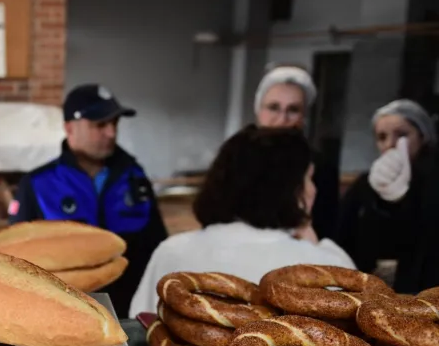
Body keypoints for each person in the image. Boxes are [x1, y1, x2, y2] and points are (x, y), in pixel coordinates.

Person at [130, 126, 354, 315]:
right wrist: (315, 245)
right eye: (308, 179)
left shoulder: (171, 252)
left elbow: (139, 328)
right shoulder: (329, 267)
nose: (313, 189)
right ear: (294, 192)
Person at [7, 84, 168, 319]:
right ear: (69, 128)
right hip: (61, 312)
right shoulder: (37, 184)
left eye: (115, 124)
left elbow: (157, 245)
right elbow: (16, 257)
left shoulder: (135, 177)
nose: (111, 133)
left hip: (130, 313)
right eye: (100, 124)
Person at [337, 99, 439, 293]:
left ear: (423, 136)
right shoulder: (365, 184)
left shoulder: (432, 184)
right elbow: (343, 237)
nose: (391, 144)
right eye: (382, 137)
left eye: (402, 135)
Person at [253, 65, 339, 241]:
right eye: (273, 107)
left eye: (293, 110)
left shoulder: (321, 167)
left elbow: (326, 229)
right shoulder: (236, 160)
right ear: (258, 111)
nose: (282, 119)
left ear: (304, 117)